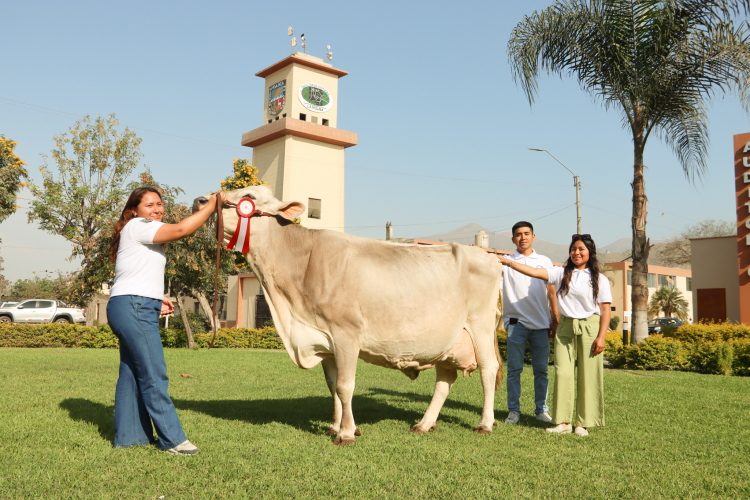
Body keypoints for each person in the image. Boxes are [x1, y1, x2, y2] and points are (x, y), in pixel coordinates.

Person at [107, 186, 224, 454]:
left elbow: (136, 272)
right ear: (134, 210)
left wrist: (155, 298)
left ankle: (130, 437)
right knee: (153, 372)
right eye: (149, 205)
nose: (157, 209)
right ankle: (172, 439)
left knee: (133, 373)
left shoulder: (140, 231)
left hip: (133, 304)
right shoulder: (139, 225)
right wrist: (212, 204)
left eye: (159, 204)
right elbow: (182, 229)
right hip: (133, 306)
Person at [498, 233, 612, 437]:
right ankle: (564, 422)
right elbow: (533, 272)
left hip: (590, 327)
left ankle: (583, 423)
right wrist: (507, 262)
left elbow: (605, 310)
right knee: (562, 373)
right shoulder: (561, 273)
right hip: (565, 327)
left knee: (588, 375)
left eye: (581, 249)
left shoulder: (599, 278)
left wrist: (601, 337)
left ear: (589, 252)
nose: (576, 253)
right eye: (573, 249)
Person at [501, 221, 559, 425]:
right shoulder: (505, 261)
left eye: (526, 233)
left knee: (541, 371)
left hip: (541, 325)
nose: (522, 237)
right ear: (513, 239)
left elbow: (551, 292)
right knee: (514, 370)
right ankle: (513, 411)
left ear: (534, 236)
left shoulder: (544, 261)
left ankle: (541, 410)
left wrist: (555, 317)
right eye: (518, 234)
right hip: (516, 325)